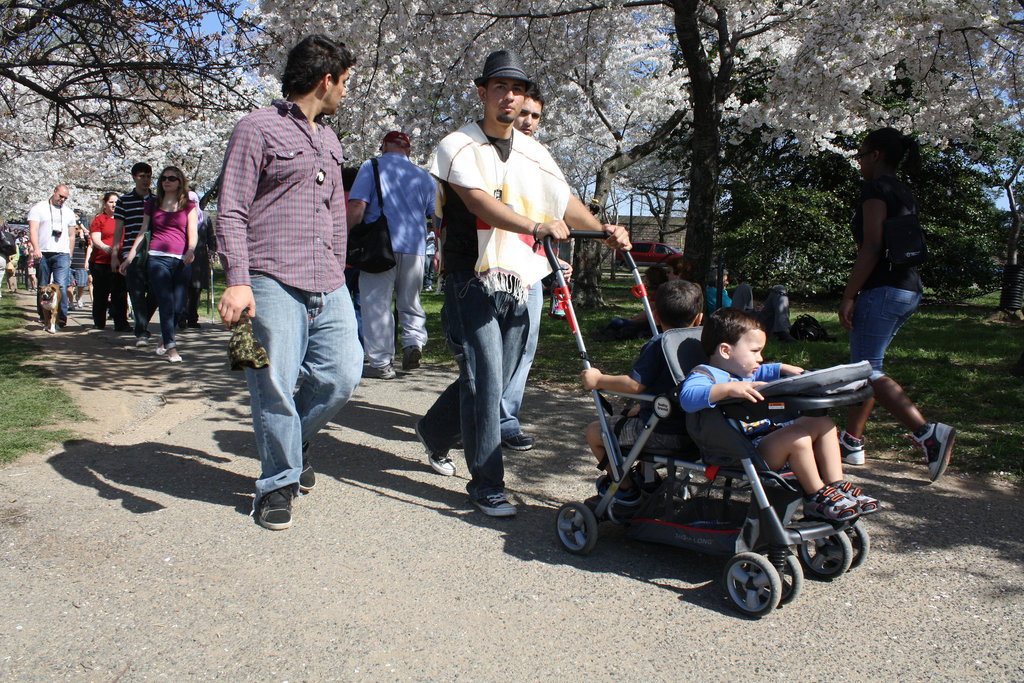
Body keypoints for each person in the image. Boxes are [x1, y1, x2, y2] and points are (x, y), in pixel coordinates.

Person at [414, 49, 631, 517]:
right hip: (469, 277)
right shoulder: (458, 145)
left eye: (516, 89)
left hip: (521, 277)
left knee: (488, 377)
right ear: (482, 93)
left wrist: (605, 231)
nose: (508, 97)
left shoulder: (535, 151)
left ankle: (433, 432)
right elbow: (476, 203)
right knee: (487, 379)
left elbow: (564, 200)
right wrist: (534, 227)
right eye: (499, 88)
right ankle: (487, 483)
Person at [217, 34, 361, 531]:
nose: (346, 92)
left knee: (343, 374)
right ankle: (277, 484)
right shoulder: (256, 128)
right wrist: (238, 279)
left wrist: (339, 268)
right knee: (274, 385)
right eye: (345, 82)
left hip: (328, 279)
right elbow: (231, 208)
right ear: (326, 80)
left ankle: (292, 444)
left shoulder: (330, 138)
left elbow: (336, 212)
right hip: (270, 275)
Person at [679, 308, 879, 521]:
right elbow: (687, 397)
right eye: (755, 351)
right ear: (726, 351)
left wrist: (783, 368)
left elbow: (763, 370)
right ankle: (815, 497)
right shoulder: (704, 375)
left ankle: (836, 486)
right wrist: (727, 390)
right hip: (743, 453)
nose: (760, 358)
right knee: (797, 439)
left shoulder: (739, 370)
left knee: (823, 422)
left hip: (765, 441)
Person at [838, 127, 955, 481]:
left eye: (860, 155)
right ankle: (851, 442)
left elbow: (872, 246)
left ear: (875, 155)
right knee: (868, 368)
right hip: (907, 288)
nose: (858, 162)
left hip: (883, 289)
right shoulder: (903, 191)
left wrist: (848, 294)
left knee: (866, 371)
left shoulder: (875, 189)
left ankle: (928, 434)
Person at [582, 280, 704, 509]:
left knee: (595, 432)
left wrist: (598, 379)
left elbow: (634, 386)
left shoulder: (659, 343)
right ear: (699, 318)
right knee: (637, 413)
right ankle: (649, 481)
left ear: (656, 317)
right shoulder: (703, 343)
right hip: (695, 432)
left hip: (663, 432)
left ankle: (625, 489)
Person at [347, 130, 436, 379]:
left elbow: (357, 206)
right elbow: (436, 217)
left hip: (379, 247)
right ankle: (413, 342)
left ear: (384, 146)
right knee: (411, 300)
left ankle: (382, 362)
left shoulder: (371, 166)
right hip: (416, 248)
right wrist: (439, 248)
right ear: (408, 150)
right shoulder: (424, 176)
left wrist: (346, 235)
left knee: (376, 304)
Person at [499, 85, 548, 451]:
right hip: (495, 267)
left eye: (536, 116)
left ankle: (504, 419)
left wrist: (551, 254)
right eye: (525, 113)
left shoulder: (539, 159)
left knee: (525, 346)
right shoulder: (490, 154)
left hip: (533, 266)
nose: (528, 122)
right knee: (491, 352)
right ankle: (468, 418)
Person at [121, 166, 197, 363]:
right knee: (165, 302)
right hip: (157, 258)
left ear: (180, 181)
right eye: (164, 178)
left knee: (179, 307)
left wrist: (191, 249)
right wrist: (129, 257)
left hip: (180, 260)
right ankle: (172, 347)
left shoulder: (188, 205)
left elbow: (193, 234)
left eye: (172, 178)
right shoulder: (153, 204)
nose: (167, 181)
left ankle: (165, 337)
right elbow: (142, 231)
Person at [110, 162, 157, 347]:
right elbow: (118, 229)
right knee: (136, 293)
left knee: (156, 291)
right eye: (141, 176)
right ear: (134, 178)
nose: (145, 180)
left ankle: (141, 321)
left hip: (154, 251)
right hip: (132, 251)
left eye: (148, 176)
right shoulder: (124, 201)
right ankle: (142, 332)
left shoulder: (157, 200)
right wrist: (115, 254)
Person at [28, 185, 78, 328]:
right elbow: (33, 229)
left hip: (62, 253)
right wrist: (36, 249)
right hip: (43, 251)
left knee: (61, 285)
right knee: (43, 285)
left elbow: (71, 235)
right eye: (60, 196)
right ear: (54, 192)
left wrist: (70, 254)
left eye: (65, 198)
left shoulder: (68, 213)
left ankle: (61, 316)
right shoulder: (39, 208)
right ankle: (44, 316)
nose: (62, 200)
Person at [589, 264, 668, 341]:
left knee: (616, 322)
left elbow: (647, 315)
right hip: (651, 324)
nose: (645, 281)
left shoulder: (658, 294)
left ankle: (605, 335)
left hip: (651, 325)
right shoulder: (659, 292)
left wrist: (631, 319)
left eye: (647, 279)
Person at [88, 192, 130, 330]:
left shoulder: (123, 219)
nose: (114, 205)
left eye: (116, 202)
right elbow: (96, 239)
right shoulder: (100, 219)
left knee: (120, 293)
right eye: (111, 202)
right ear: (105, 204)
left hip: (120, 262)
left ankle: (121, 323)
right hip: (101, 262)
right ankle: (99, 322)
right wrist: (105, 247)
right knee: (101, 293)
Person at [181, 191, 214, 329]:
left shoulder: (206, 217)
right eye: (189, 201)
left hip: (200, 257)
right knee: (183, 287)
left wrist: (212, 250)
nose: (192, 204)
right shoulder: (182, 216)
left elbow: (211, 236)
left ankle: (193, 318)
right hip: (184, 255)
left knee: (196, 288)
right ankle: (181, 316)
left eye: (194, 201)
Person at [69, 213, 91, 310]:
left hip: (81, 263)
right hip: (70, 263)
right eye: (75, 228)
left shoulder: (84, 238)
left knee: (81, 283)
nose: (76, 230)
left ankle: (79, 298)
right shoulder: (69, 238)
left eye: (77, 228)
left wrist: (83, 233)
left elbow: (89, 242)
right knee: (68, 284)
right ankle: (70, 301)